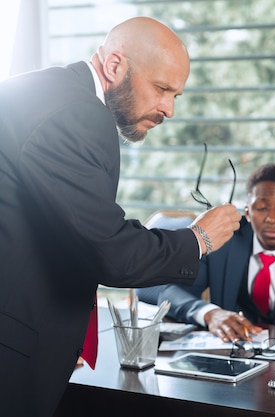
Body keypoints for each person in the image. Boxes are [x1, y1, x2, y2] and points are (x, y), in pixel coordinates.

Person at [0, 17, 241, 417]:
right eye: (162, 89)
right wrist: (199, 238)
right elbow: (110, 251)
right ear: (114, 66)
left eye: (176, 95)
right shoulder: (78, 113)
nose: (169, 109)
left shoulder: (40, 89)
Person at [159, 163, 275, 342]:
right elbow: (171, 293)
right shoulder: (221, 242)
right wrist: (209, 313)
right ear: (247, 212)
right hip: (228, 355)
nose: (272, 218)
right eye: (262, 208)